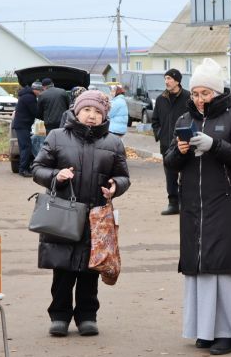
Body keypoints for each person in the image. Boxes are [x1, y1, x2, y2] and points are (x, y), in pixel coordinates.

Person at [163, 58, 231, 355]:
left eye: (205, 93)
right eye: (196, 93)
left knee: (223, 268)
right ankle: (203, 330)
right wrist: (179, 151)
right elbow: (169, 161)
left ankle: (227, 333)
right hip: (193, 205)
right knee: (199, 268)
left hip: (225, 204)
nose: (200, 99)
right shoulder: (183, 120)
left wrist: (214, 145)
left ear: (217, 92)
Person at [31, 90, 130, 337]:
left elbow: (123, 176)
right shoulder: (56, 137)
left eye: (98, 112)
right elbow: (37, 168)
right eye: (87, 110)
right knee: (62, 269)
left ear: (104, 115)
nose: (92, 116)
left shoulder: (113, 142)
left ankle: (87, 315)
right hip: (62, 214)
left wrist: (115, 187)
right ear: (77, 111)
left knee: (90, 269)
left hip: (95, 216)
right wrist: (56, 175)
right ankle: (59, 316)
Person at [153, 68, 190, 215]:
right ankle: (173, 203)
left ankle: (186, 203)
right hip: (166, 144)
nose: (166, 81)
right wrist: (159, 134)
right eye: (165, 78)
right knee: (170, 175)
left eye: (169, 78)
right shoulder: (161, 99)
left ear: (177, 81)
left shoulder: (188, 97)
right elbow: (155, 120)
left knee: (186, 175)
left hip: (185, 143)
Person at [11, 81, 43, 177]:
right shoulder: (30, 98)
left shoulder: (26, 95)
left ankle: (25, 167)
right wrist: (46, 116)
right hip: (22, 125)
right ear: (36, 90)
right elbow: (35, 112)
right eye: (40, 91)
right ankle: (23, 169)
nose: (41, 93)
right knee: (26, 147)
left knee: (23, 147)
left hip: (22, 125)